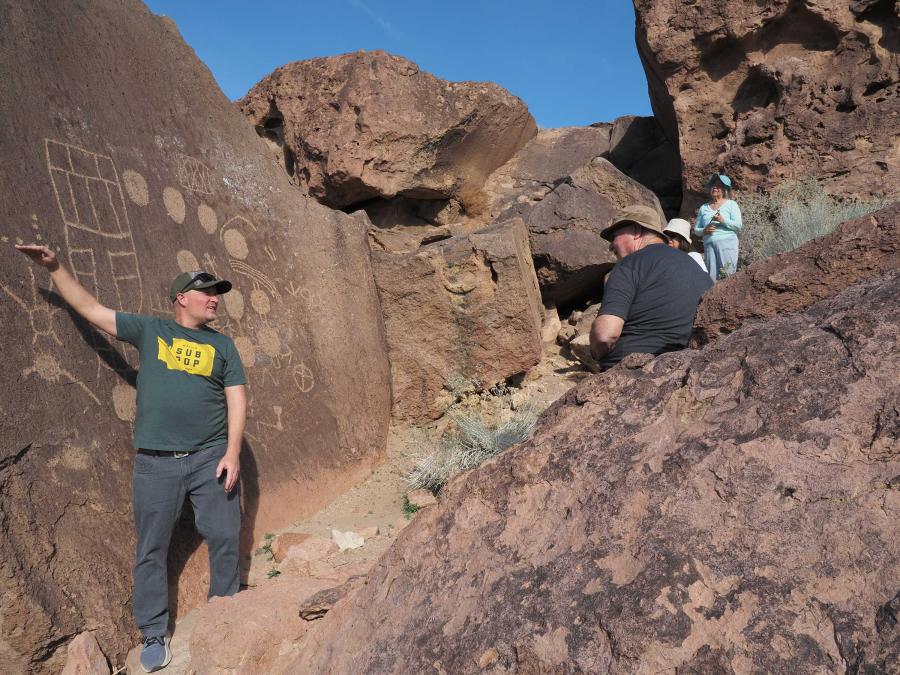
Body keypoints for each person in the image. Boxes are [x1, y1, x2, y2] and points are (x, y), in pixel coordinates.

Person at [16, 244, 246, 673]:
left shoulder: (224, 347)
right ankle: (153, 632)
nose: (215, 298)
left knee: (225, 534)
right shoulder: (151, 331)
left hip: (210, 456)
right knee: (151, 548)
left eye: (218, 292)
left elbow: (236, 398)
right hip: (156, 464)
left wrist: (232, 452)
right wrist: (55, 267)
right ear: (182, 297)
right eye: (207, 291)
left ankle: (225, 612)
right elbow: (92, 310)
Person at [588, 205, 713, 370]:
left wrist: (596, 353)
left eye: (614, 236)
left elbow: (605, 335)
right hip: (685, 371)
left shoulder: (630, 264)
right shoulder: (699, 271)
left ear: (636, 231)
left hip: (627, 371)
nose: (611, 246)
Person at [693, 173, 742, 281]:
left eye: (719, 185)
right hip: (709, 244)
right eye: (713, 185)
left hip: (727, 242)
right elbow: (696, 230)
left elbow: (738, 225)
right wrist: (704, 230)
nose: (715, 187)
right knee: (712, 277)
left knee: (728, 275)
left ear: (725, 189)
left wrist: (723, 221)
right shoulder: (704, 208)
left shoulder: (731, 204)